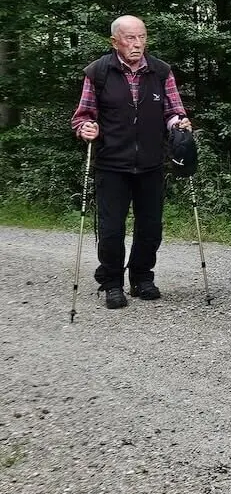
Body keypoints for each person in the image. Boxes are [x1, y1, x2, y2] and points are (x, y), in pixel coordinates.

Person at [71, 16, 193, 309]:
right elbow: (83, 116)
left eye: (142, 37)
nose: (137, 44)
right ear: (115, 41)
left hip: (151, 161)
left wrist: (179, 124)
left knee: (150, 227)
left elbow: (173, 110)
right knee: (112, 229)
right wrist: (86, 128)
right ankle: (112, 282)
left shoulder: (161, 71)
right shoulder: (98, 72)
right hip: (112, 163)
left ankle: (142, 277)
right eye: (130, 38)